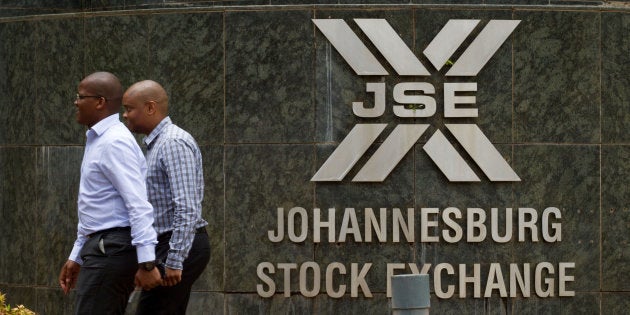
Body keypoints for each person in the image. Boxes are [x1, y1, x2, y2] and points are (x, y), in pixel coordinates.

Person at [58, 72, 162, 315]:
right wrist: (78, 254)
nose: (75, 102)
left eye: (80, 96)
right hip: (101, 249)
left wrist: (147, 263)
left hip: (111, 251)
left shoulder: (114, 142)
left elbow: (138, 204)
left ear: (100, 102)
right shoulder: (98, 139)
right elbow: (95, 206)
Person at [122, 80, 211, 314]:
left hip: (177, 245)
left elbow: (187, 207)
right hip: (169, 244)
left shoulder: (172, 143)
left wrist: (175, 259)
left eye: (129, 108)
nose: (124, 115)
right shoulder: (157, 144)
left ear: (150, 107)